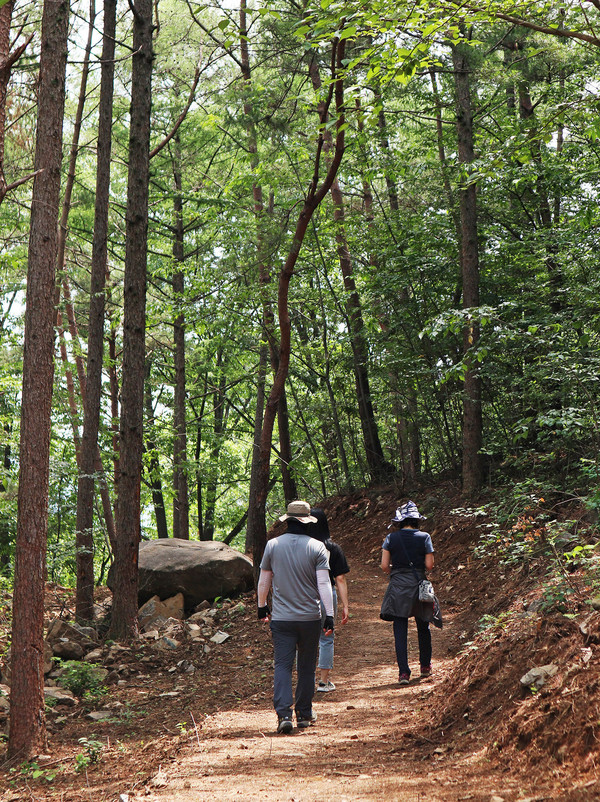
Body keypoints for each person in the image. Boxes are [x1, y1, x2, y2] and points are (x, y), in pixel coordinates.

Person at [257, 500, 335, 734]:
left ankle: (283, 714)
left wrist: (262, 606)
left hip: (281, 619)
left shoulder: (272, 545)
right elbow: (323, 583)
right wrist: (328, 615)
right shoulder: (317, 547)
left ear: (288, 520)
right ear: (307, 522)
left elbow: (264, 580)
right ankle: (303, 713)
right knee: (306, 666)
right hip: (310, 617)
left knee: (282, 664)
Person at [379, 500, 435, 685]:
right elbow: (429, 565)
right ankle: (425, 667)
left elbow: (385, 566)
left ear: (400, 521)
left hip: (398, 587)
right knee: (423, 626)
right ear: (417, 520)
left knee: (400, 628)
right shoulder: (424, 537)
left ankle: (403, 673)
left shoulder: (390, 538)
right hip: (419, 585)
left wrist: (397, 571)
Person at [309, 508, 349, 693]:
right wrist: (345, 605)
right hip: (327, 593)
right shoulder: (332, 548)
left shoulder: (304, 547)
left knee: (306, 637)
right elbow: (340, 579)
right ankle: (324, 682)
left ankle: (306, 680)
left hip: (306, 594)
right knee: (327, 636)